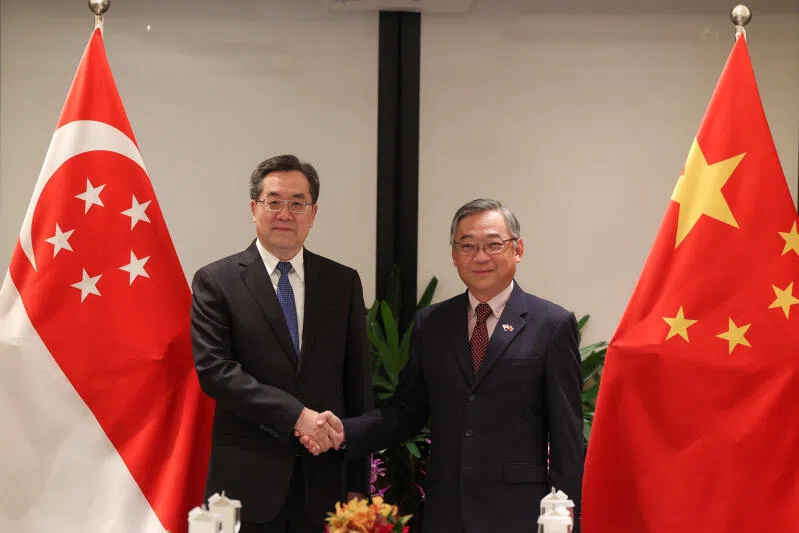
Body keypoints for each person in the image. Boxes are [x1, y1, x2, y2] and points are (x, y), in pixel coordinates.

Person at [300, 198, 584, 533]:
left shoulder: (551, 324)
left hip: (519, 513)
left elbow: (566, 436)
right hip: (446, 511)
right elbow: (407, 411)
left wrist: (564, 519)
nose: (480, 256)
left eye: (493, 244)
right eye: (467, 245)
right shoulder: (431, 324)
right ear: (454, 255)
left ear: (517, 249)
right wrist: (345, 432)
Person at [190, 154, 372, 533]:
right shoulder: (216, 281)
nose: (285, 213)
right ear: (254, 208)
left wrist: (358, 486)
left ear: (313, 212)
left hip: (326, 484)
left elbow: (358, 387)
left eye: (297, 203)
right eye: (274, 202)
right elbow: (216, 373)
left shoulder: (342, 283)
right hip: (247, 483)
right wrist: (296, 416)